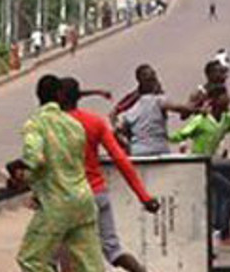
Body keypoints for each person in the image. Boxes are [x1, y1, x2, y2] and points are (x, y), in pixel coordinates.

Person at [59, 77, 161, 272]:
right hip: (98, 193)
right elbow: (121, 160)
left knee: (66, 248)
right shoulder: (95, 122)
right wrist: (144, 197)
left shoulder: (54, 126)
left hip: (69, 196)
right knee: (114, 251)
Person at [16, 75, 102, 272]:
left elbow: (35, 159)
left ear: (38, 96)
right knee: (89, 265)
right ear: (59, 95)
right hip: (83, 200)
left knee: (31, 259)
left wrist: (24, 175)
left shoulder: (35, 125)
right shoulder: (74, 126)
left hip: (56, 203)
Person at [169, 84, 230, 247]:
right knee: (225, 193)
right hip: (198, 166)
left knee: (219, 195)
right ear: (214, 101)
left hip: (213, 165)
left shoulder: (228, 119)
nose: (228, 99)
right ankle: (217, 230)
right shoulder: (201, 121)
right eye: (224, 96)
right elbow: (180, 135)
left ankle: (217, 230)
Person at [116, 66, 194, 157]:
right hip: (159, 150)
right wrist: (198, 109)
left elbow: (117, 131)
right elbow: (180, 108)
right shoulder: (159, 101)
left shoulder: (132, 110)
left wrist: (128, 146)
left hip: (138, 152)